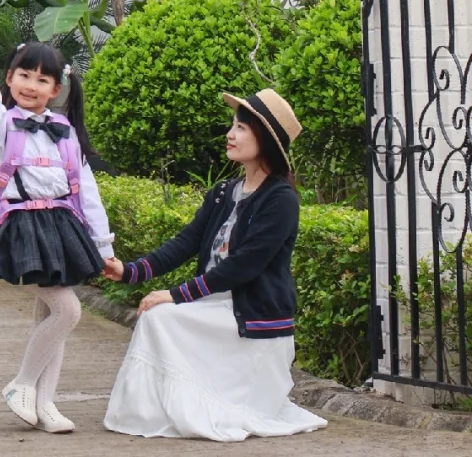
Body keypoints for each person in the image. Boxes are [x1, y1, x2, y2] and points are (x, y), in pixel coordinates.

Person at [103, 88, 327, 442]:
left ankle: (195, 408)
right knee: (154, 315)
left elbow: (245, 265)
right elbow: (187, 241)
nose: (230, 134)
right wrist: (130, 271)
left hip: (250, 317)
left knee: (160, 314)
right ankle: (152, 412)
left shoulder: (281, 200)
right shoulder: (224, 192)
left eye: (240, 128)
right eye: (232, 126)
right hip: (215, 309)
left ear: (265, 139)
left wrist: (176, 295)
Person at [0, 7, 116, 435]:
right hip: (23, 225)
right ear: (9, 78)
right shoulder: (1, 127)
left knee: (46, 315)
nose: (31, 86)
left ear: (56, 88)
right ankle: (23, 384)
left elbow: (87, 190)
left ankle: (46, 404)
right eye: (23, 75)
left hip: (62, 226)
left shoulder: (66, 130)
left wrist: (103, 245)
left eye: (42, 79)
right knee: (67, 311)